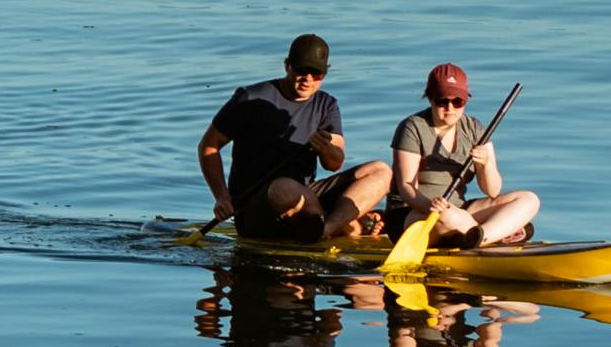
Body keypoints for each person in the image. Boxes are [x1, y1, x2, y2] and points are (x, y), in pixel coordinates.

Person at [199, 34, 400, 242]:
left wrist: (325, 148)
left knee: (381, 171)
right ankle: (348, 225)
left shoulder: (326, 105)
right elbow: (209, 145)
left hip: (305, 196)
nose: (308, 79)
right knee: (285, 187)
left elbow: (334, 164)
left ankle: (327, 229)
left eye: (317, 74)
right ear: (287, 65)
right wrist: (221, 197)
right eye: (301, 71)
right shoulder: (249, 98)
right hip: (256, 206)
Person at [390, 61, 541, 249]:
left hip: (459, 211)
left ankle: (480, 237)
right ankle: (495, 233)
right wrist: (433, 208)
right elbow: (406, 188)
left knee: (529, 199)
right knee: (450, 216)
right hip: (416, 213)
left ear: (465, 100)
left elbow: (492, 191)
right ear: (429, 98)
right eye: (442, 101)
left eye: (457, 101)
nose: (450, 108)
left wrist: (486, 164)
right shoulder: (412, 127)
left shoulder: (475, 129)